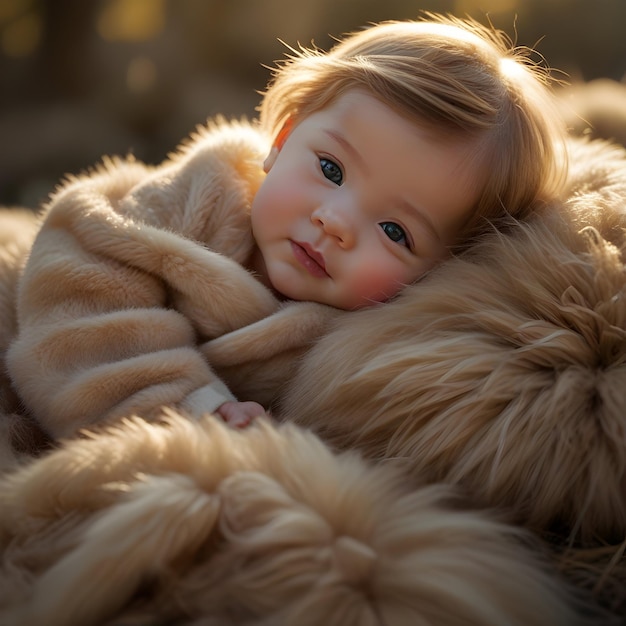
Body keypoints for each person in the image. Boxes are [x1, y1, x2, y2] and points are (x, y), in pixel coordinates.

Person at [5, 13, 567, 436]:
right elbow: (78, 288)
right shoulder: (205, 194)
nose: (336, 221)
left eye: (396, 231)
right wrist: (192, 406)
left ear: (445, 270)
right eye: (330, 168)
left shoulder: (369, 348)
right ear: (281, 140)